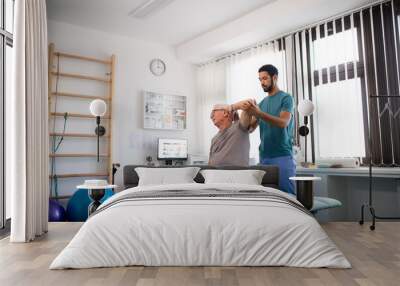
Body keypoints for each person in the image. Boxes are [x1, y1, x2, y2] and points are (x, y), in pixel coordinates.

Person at [246, 64, 296, 194]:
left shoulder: (286, 98)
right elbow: (250, 129)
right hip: (264, 157)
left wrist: (259, 113)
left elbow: (283, 123)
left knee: (287, 196)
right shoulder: (262, 104)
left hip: (282, 156)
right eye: (260, 79)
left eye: (265, 78)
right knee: (268, 195)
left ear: (275, 77)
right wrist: (245, 115)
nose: (262, 82)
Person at [208, 100, 257, 166]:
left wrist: (231, 107)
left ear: (225, 113)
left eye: (214, 112)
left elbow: (249, 104)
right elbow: (210, 162)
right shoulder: (214, 139)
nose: (211, 116)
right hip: (215, 174)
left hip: (235, 174)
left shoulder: (239, 127)